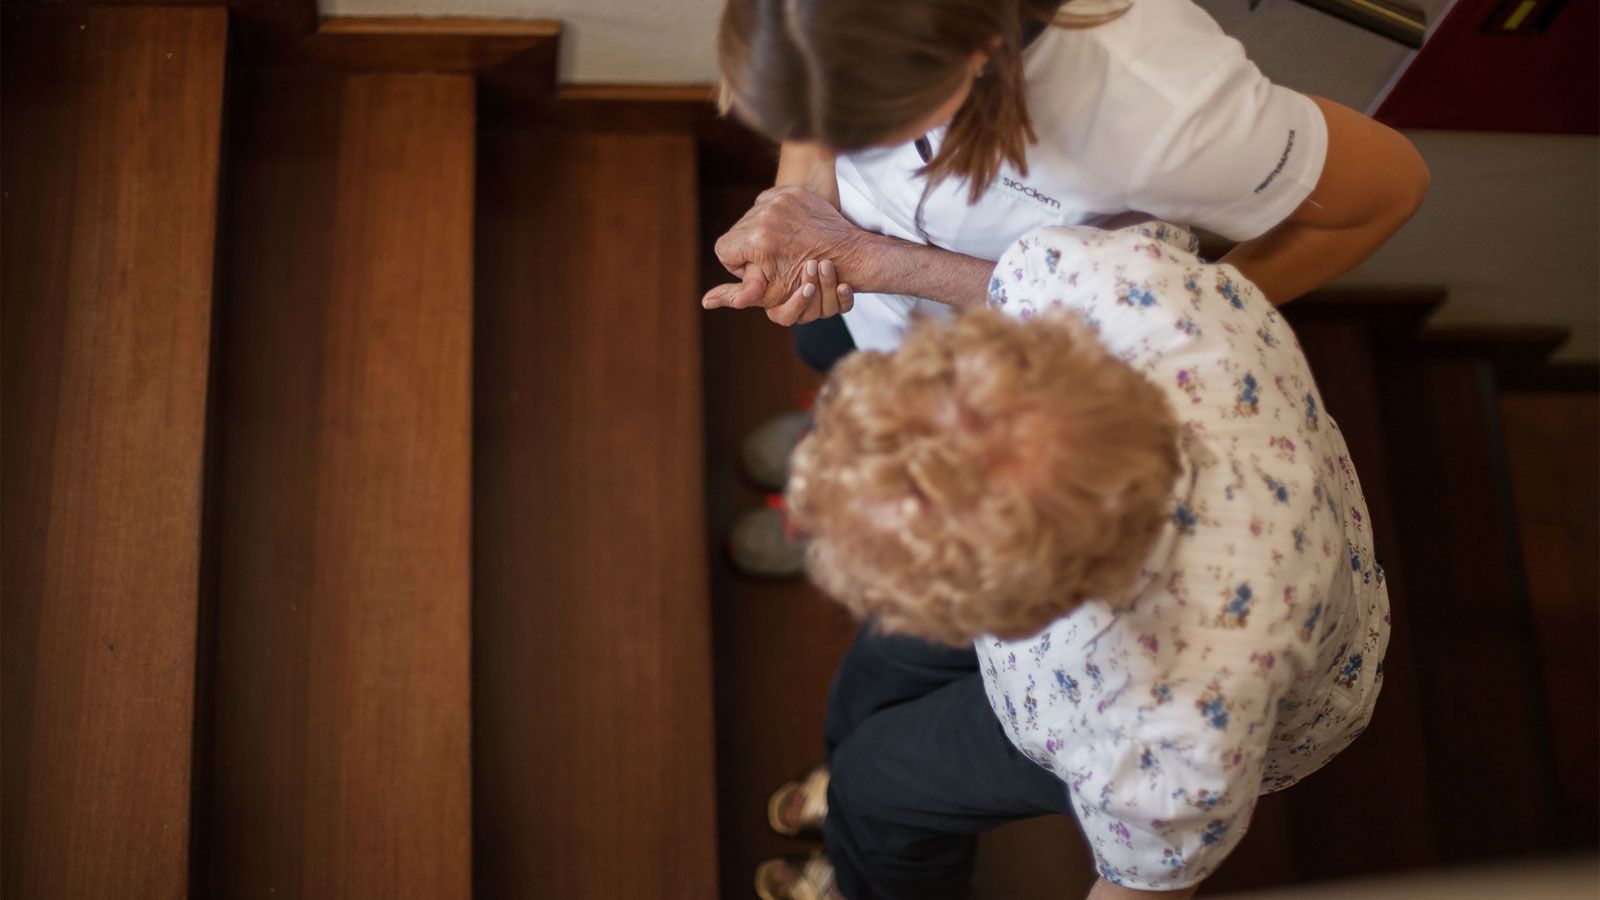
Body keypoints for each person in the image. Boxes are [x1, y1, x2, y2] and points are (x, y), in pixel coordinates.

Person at [761, 221, 1390, 900]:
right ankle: (857, 808)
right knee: (875, 682)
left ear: (1017, 618)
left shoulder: (1159, 741)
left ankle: (866, 826)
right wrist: (882, 260)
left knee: (878, 784)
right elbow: (1010, 285)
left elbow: (1141, 883)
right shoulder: (1115, 286)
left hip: (1159, 678)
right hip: (1226, 543)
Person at [707, 0, 1427, 576]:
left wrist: (1163, 322)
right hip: (888, 312)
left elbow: (1389, 189)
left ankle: (882, 500)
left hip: (1041, 353)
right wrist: (803, 202)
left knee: (962, 468)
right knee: (833, 350)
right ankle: (859, 440)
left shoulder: (1161, 110)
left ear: (974, 55)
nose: (820, 139)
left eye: (859, 131)